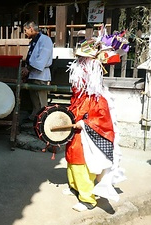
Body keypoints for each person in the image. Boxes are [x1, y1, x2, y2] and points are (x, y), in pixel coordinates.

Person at [63, 29, 127, 212]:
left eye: (84, 62)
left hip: (87, 133)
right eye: (79, 61)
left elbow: (102, 120)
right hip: (77, 122)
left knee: (82, 162)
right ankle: (75, 187)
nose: (80, 65)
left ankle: (87, 199)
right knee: (71, 156)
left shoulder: (98, 97)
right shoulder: (80, 92)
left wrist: (83, 124)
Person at [21, 21, 53, 121]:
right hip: (32, 74)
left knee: (41, 100)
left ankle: (43, 120)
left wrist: (28, 69)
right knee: (34, 100)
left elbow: (41, 60)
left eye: (25, 30)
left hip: (41, 74)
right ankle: (35, 118)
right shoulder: (34, 41)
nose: (25, 33)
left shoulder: (45, 40)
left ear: (31, 28)